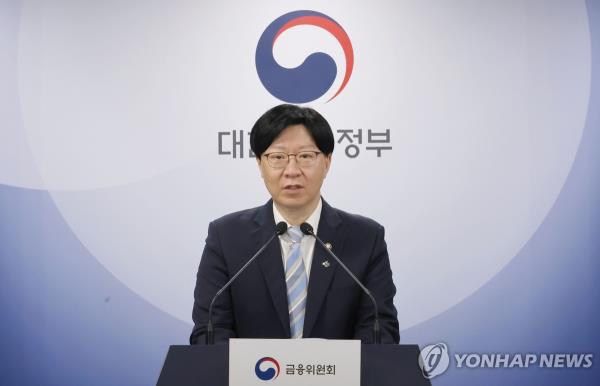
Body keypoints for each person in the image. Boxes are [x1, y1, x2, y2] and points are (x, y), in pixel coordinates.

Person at [190, 104, 399, 344]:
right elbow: (211, 331)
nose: (292, 170)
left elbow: (380, 331)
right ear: (260, 164)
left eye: (306, 157)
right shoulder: (226, 237)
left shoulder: (365, 237)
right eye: (277, 157)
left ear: (327, 162)